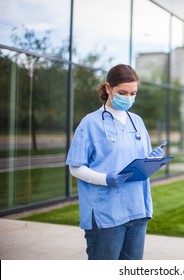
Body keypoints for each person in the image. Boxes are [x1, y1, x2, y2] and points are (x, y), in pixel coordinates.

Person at [66, 64, 164, 260]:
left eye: (133, 93)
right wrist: (105, 179)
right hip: (106, 212)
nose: (128, 98)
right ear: (109, 88)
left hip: (137, 209)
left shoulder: (137, 121)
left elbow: (139, 160)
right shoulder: (90, 123)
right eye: (123, 92)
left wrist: (152, 160)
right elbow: (75, 167)